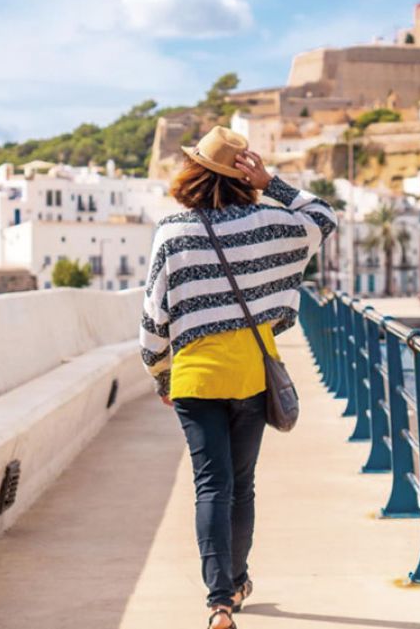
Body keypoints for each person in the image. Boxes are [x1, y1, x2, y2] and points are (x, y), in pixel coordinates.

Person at [139, 126, 336, 629]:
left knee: (211, 485)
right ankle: (240, 577)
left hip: (195, 378)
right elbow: (322, 217)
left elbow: (153, 316)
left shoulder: (173, 231)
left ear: (192, 171)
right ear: (241, 175)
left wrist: (162, 376)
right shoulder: (271, 222)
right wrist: (272, 182)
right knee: (241, 486)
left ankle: (219, 601)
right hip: (251, 372)